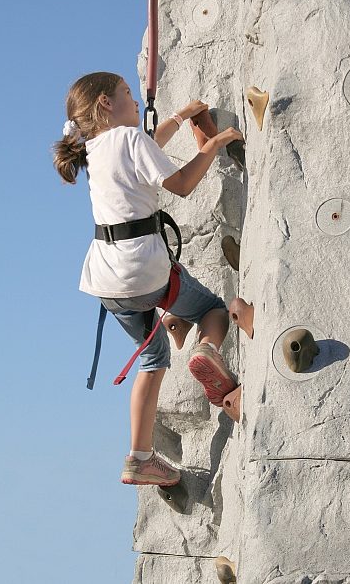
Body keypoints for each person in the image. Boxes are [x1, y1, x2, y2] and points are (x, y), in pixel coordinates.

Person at [53, 72, 243, 487]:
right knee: (212, 308)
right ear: (106, 103)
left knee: (153, 358)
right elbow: (181, 184)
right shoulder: (131, 140)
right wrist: (211, 145)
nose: (135, 101)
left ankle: (139, 458)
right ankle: (208, 348)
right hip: (144, 270)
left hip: (106, 280)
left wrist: (179, 115)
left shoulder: (94, 149)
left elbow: (148, 143)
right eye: (127, 94)